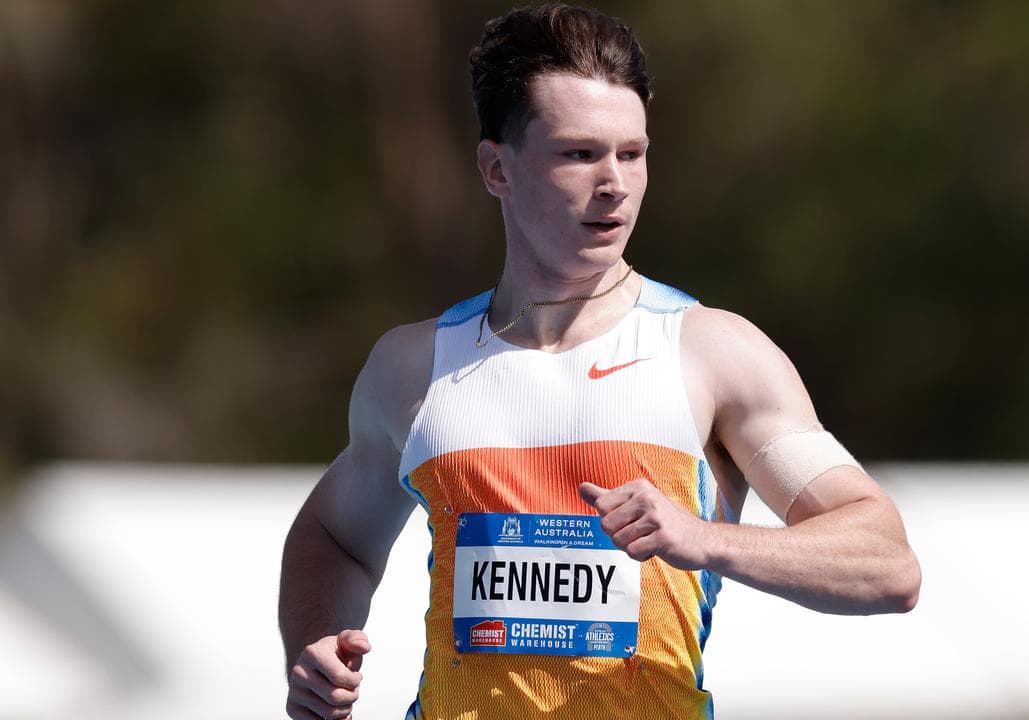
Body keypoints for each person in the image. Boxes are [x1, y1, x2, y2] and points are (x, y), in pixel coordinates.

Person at [279, 4, 921, 719]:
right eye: (580, 154)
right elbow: (333, 536)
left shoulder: (713, 354)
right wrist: (314, 643)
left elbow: (887, 563)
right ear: (496, 167)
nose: (614, 182)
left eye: (632, 153)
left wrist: (704, 539)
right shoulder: (414, 368)